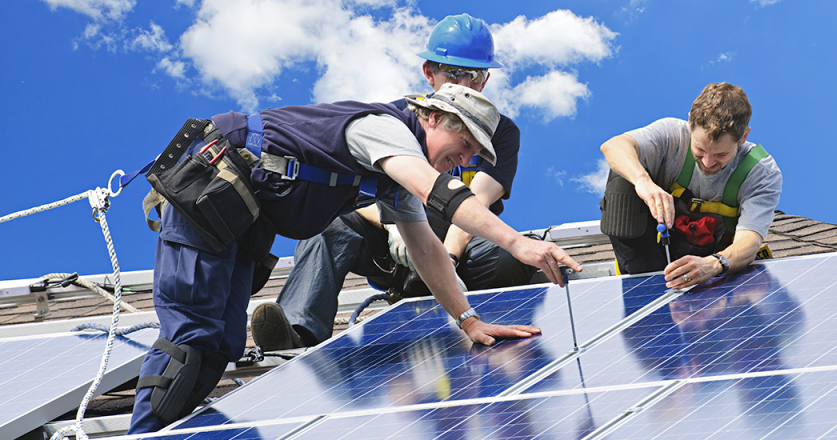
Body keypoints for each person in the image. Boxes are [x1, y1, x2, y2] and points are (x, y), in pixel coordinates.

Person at [128, 83, 581, 433]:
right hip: (209, 187)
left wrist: (468, 320)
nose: (460, 162)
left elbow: (425, 247)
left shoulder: (394, 178)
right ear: (434, 117)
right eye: (462, 149)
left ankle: (168, 432)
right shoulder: (382, 130)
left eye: (469, 159)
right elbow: (434, 189)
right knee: (192, 338)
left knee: (223, 345)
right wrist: (519, 244)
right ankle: (143, 436)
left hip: (239, 218)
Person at [251, 13, 535, 352]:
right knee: (329, 226)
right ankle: (298, 333)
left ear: (485, 80)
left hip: (458, 249)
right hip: (396, 248)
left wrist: (448, 258)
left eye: (473, 75)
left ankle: (484, 317)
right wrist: (392, 226)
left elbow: (476, 201)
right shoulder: (398, 121)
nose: (464, 84)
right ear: (430, 74)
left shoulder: (498, 133)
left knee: (511, 255)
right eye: (453, 73)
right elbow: (363, 188)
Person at [599, 82, 782, 289]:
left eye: (721, 155)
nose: (707, 163)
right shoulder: (671, 136)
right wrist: (643, 182)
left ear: (744, 137)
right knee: (623, 175)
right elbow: (613, 146)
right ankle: (645, 284)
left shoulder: (760, 172)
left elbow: (749, 241)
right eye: (700, 150)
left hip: (707, 262)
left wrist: (714, 264)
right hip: (646, 256)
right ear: (689, 124)